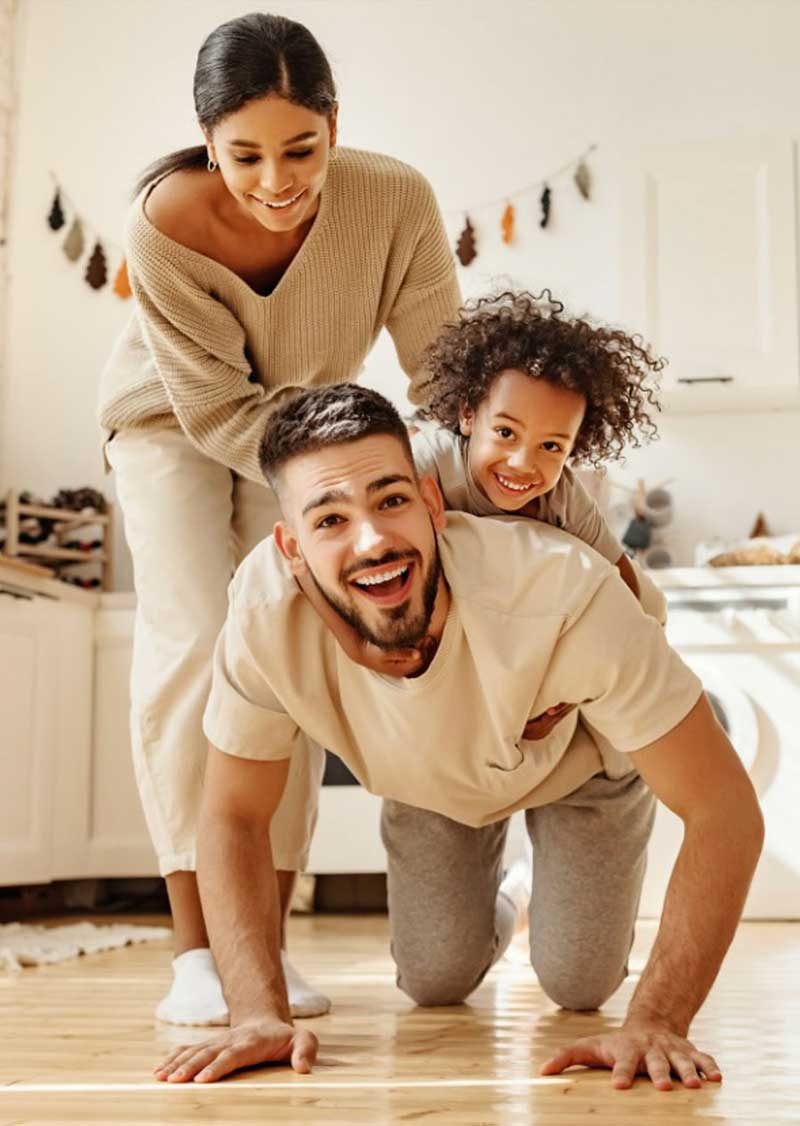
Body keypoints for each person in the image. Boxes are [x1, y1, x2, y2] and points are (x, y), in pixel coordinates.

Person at [153, 385, 763, 1088]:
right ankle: (516, 893)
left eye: (390, 501)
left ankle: (543, 877)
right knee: (433, 978)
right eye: (329, 520)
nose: (374, 540)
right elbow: (232, 814)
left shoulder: (565, 592)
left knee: (577, 982)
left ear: (432, 503)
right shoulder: (262, 616)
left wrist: (659, 1017)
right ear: (291, 547)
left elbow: (725, 812)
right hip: (429, 779)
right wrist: (257, 1012)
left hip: (576, 769)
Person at [98, 12, 460, 1025]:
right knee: (192, 642)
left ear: (334, 127)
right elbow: (212, 410)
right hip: (169, 423)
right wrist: (336, 476)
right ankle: (195, 953)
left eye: (300, 148)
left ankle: (265, 934)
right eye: (246, 153)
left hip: (299, 434)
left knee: (281, 652)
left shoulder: (395, 201)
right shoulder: (162, 221)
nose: (275, 178)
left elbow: (441, 371)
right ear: (207, 137)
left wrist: (489, 469)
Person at [298, 289, 666, 689]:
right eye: (506, 432)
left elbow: (626, 590)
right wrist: (356, 647)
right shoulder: (425, 466)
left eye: (551, 446)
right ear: (469, 415)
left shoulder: (563, 496)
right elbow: (315, 557)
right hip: (432, 632)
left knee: (655, 607)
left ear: (573, 447)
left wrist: (574, 688)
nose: (523, 463)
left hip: (514, 639)